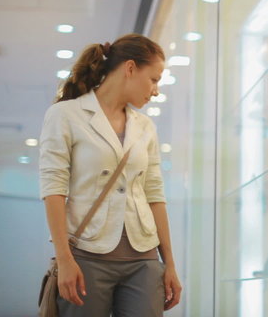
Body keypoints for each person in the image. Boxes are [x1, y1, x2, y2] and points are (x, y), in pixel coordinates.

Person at [39, 33, 182, 316]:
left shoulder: (146, 126)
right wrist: (65, 260)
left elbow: (154, 194)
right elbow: (53, 189)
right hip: (86, 256)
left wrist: (170, 264)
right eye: (154, 79)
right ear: (130, 68)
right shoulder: (66, 115)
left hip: (144, 259)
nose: (156, 90)